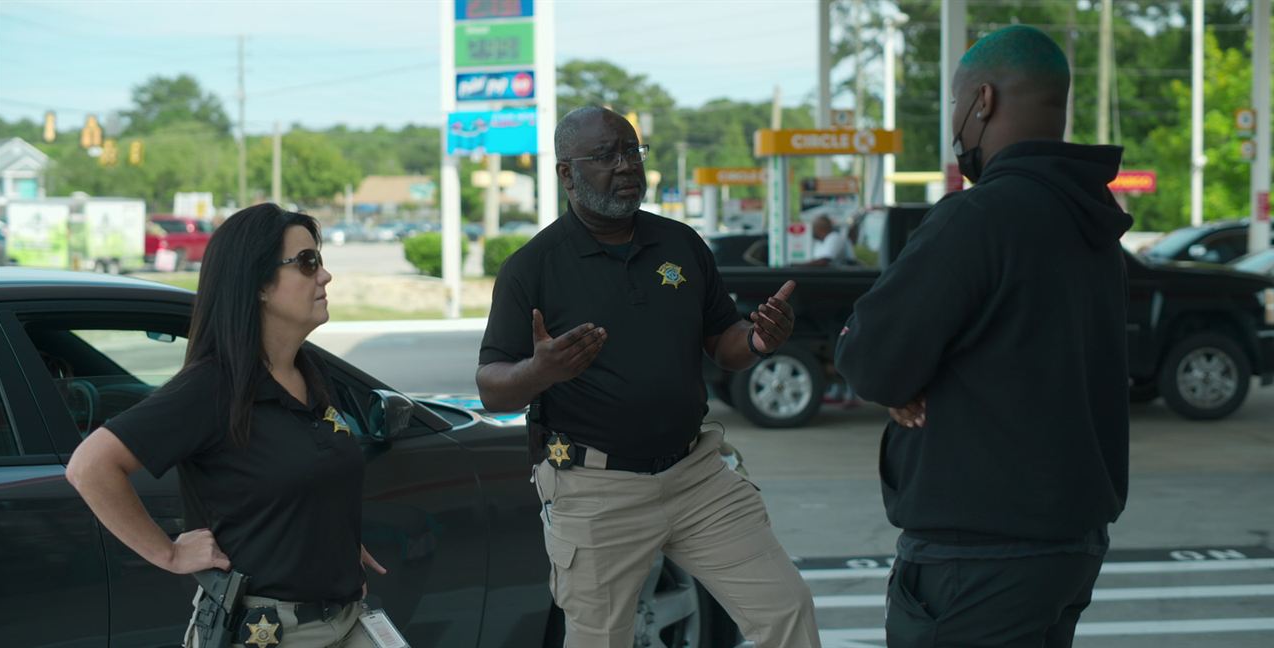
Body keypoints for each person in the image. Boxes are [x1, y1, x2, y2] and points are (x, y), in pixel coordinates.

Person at [477, 106, 821, 648]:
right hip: (595, 489)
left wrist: (757, 341)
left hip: (698, 477)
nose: (625, 166)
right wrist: (539, 370)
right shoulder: (533, 267)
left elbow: (722, 342)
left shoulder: (680, 245)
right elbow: (491, 386)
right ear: (567, 173)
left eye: (631, 151)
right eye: (605, 156)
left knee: (786, 610)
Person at [835, 25, 1131, 647]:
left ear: (983, 102)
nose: (954, 122)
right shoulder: (1093, 225)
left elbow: (871, 359)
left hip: (977, 561)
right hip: (1069, 547)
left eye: (953, 104)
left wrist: (901, 380)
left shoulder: (977, 218)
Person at [66, 203, 387, 647]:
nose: (325, 276)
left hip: (347, 620)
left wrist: (328, 535)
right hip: (267, 633)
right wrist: (169, 552)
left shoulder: (310, 371)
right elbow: (90, 466)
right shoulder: (214, 386)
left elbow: (299, 474)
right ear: (257, 284)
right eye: (307, 263)